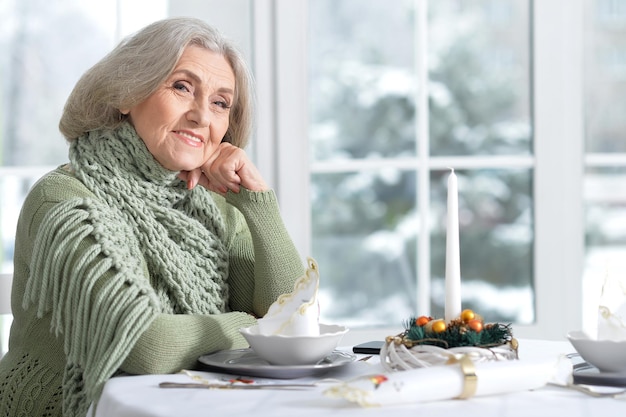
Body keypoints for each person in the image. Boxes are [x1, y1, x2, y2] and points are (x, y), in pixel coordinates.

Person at [0, 16, 304, 417]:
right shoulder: (68, 197)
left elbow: (296, 319)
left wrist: (257, 202)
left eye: (220, 103)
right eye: (182, 87)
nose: (201, 115)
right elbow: (144, 343)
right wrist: (256, 327)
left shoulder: (215, 205)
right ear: (128, 93)